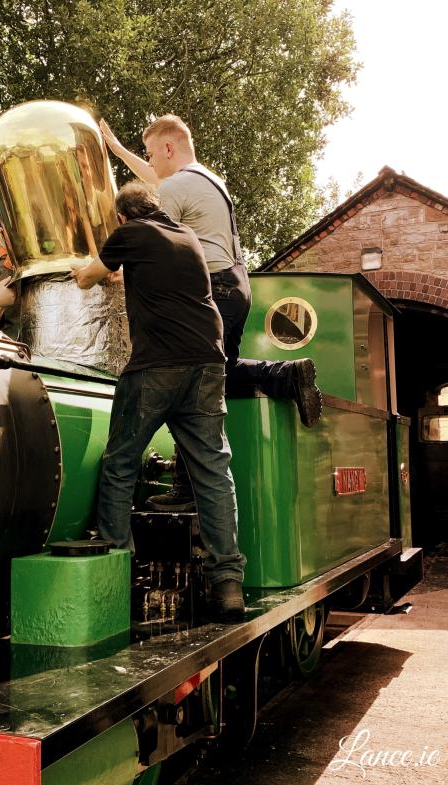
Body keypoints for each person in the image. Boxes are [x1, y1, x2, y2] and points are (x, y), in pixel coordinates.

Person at [100, 116, 322, 508]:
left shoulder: (174, 187)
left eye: (153, 153)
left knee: (191, 381)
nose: (151, 163)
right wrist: (118, 150)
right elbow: (156, 179)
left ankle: (187, 491)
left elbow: (149, 226)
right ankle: (284, 374)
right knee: (217, 372)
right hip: (238, 284)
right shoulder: (205, 179)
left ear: (169, 148)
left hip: (212, 287)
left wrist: (115, 268)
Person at [71, 182, 246, 622]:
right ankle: (228, 582)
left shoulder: (131, 233)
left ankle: (118, 568)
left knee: (121, 461)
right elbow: (148, 274)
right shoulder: (186, 237)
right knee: (212, 472)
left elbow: (88, 278)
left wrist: (79, 265)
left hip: (157, 366)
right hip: (208, 362)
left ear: (123, 218)